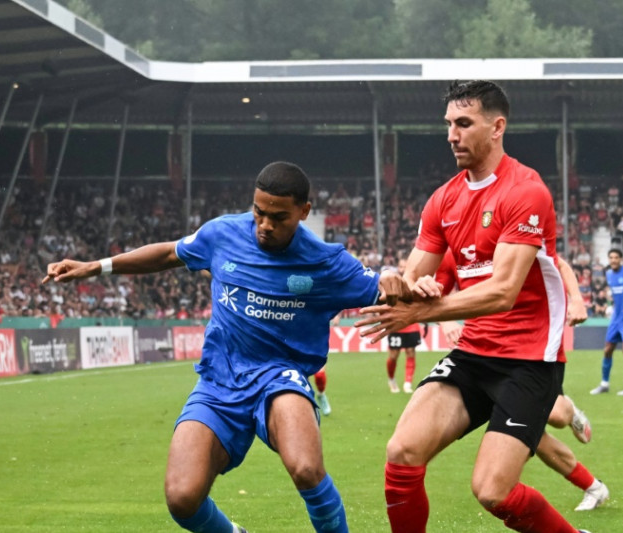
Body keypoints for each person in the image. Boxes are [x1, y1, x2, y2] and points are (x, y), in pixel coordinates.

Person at [44, 161, 403, 533]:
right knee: (182, 498)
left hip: (279, 377)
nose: (265, 225)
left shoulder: (326, 262)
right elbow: (169, 253)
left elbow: (382, 284)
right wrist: (95, 267)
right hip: (219, 380)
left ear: (303, 211)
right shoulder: (222, 234)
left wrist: (394, 275)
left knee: (306, 469)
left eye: (278, 217)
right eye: (259, 212)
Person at [356, 80, 588, 533]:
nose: (451, 135)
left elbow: (502, 291)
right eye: (448, 124)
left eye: (463, 123)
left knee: (492, 492)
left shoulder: (526, 191)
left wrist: (422, 312)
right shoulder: (443, 200)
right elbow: (411, 280)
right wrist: (395, 283)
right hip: (474, 353)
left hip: (528, 359)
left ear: (497, 126)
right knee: (401, 452)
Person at [436, 252, 609, 512]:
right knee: (534, 438)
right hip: (482, 356)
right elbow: (435, 290)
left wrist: (577, 300)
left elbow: (559, 263)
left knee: (557, 417)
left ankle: (569, 411)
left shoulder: (514, 231)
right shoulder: (456, 245)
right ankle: (594, 488)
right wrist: (447, 319)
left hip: (530, 350)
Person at [590, 248, 623, 396]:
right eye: (611, 257)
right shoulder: (608, 274)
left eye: (616, 258)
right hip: (616, 318)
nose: (613, 260)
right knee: (607, 350)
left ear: (620, 259)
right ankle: (604, 384)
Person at [386, 260, 422, 394]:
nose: (402, 269)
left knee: (410, 352)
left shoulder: (415, 281)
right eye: (400, 266)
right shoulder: (391, 283)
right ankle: (391, 379)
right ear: (398, 268)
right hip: (396, 324)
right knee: (394, 355)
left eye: (404, 266)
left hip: (411, 323)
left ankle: (408, 382)